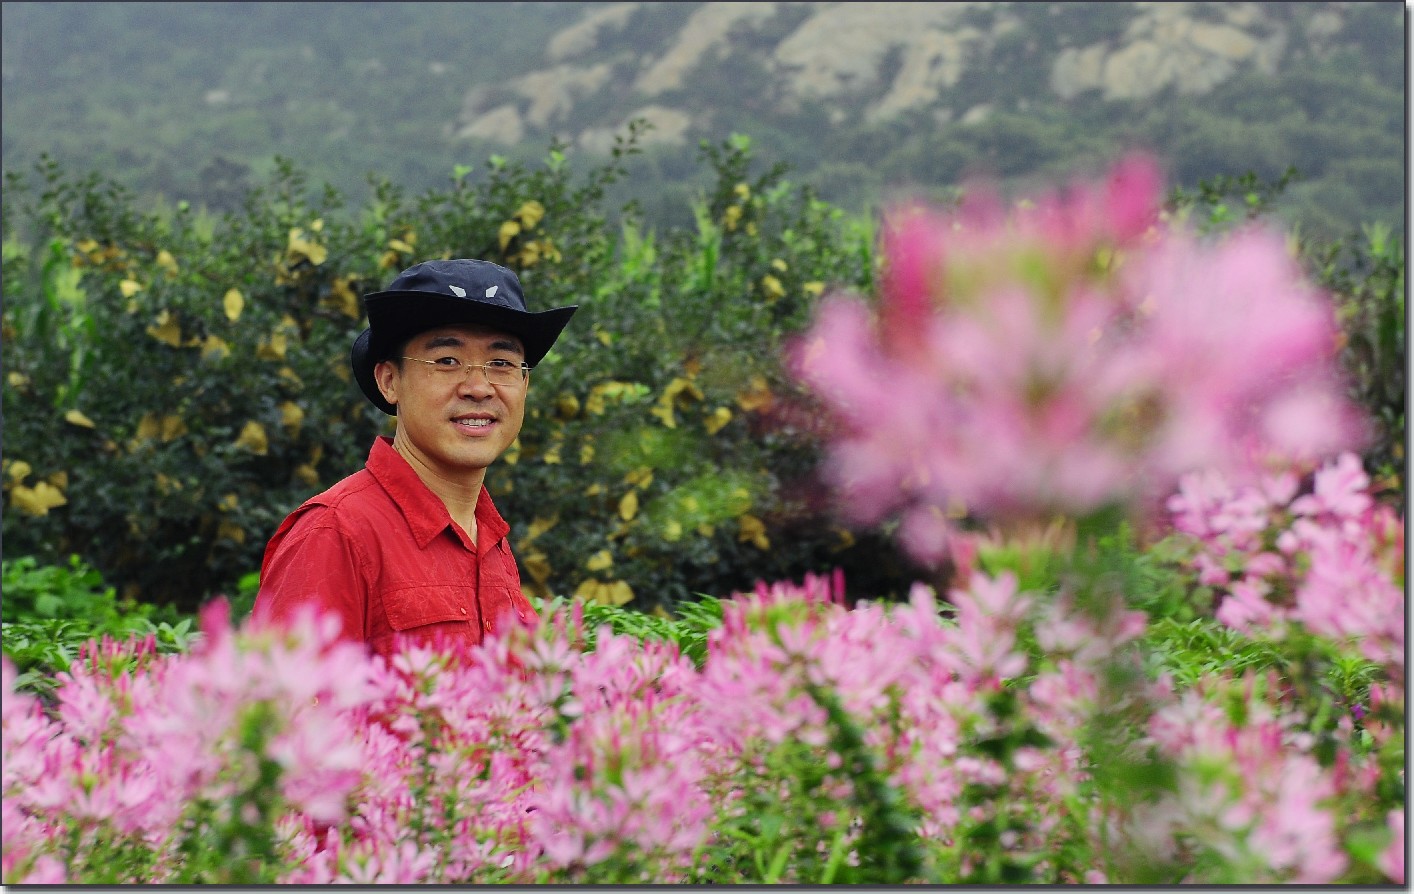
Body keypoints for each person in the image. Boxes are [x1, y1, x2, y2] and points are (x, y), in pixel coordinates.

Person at [252, 259, 576, 661]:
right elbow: (289, 714)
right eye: (446, 361)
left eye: (502, 364)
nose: (479, 387)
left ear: (524, 385)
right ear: (390, 381)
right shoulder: (335, 532)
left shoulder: (490, 538)